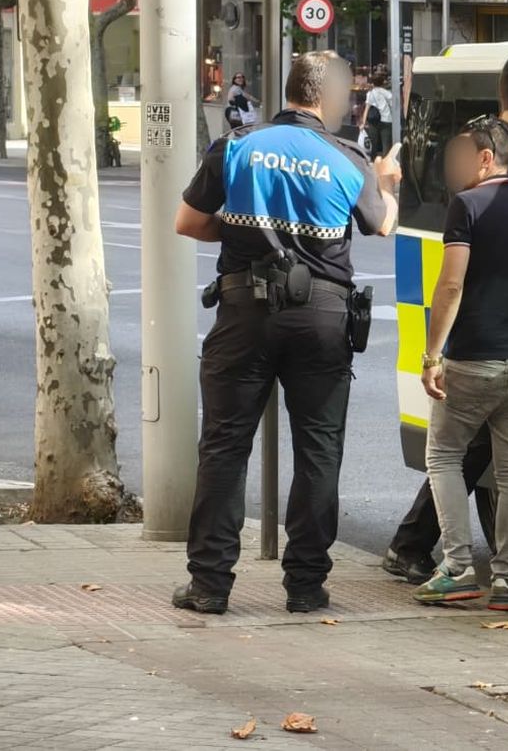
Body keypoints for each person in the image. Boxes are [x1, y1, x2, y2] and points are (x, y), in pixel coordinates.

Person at [171, 50, 401, 616]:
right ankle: (304, 585)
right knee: (319, 450)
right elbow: (382, 223)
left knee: (224, 447)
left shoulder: (237, 146)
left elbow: (189, 222)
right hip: (322, 318)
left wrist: (252, 227)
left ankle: (209, 586)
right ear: (333, 99)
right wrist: (387, 180)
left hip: (244, 312)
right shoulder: (348, 157)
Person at [380, 54, 508, 592]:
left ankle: (472, 563)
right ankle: (479, 565)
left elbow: (459, 280)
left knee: (483, 454)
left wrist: (436, 354)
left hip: (504, 341)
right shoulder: (498, 185)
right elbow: (476, 278)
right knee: (485, 458)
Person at [413, 122, 508, 609]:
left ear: (485, 158)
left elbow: (451, 286)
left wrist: (433, 354)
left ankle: (457, 567)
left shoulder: (468, 207)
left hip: (472, 362)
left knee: (444, 457)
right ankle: (507, 581)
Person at [362, 69, 395, 157]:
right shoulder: (388, 93)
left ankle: (373, 163)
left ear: (373, 83)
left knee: (374, 145)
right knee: (386, 145)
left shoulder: (370, 93)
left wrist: (363, 123)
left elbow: (366, 109)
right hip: (387, 119)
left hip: (374, 121)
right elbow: (393, 106)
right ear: (382, 83)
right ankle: (385, 164)